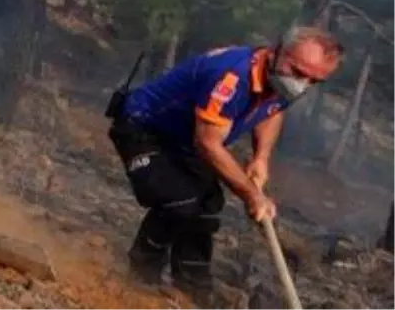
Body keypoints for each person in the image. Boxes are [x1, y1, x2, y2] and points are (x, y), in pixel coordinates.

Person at [107, 26, 344, 305]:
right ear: (278, 51)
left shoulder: (279, 79)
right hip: (144, 128)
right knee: (179, 199)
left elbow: (271, 111)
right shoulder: (232, 77)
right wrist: (253, 195)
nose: (301, 84)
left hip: (186, 140)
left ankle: (192, 288)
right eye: (298, 72)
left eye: (313, 81)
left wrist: (261, 158)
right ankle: (140, 277)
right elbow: (208, 143)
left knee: (208, 206)